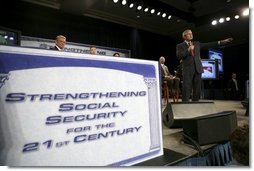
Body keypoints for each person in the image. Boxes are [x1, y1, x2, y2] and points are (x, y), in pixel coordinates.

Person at [176, 29, 233, 102]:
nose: (191, 35)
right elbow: (179, 56)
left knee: (197, 89)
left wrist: (221, 42)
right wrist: (188, 50)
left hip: (198, 68)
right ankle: (184, 105)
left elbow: (209, 44)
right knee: (187, 88)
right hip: (187, 70)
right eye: (189, 34)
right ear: (184, 36)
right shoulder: (180, 46)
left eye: (191, 33)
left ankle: (195, 104)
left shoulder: (197, 43)